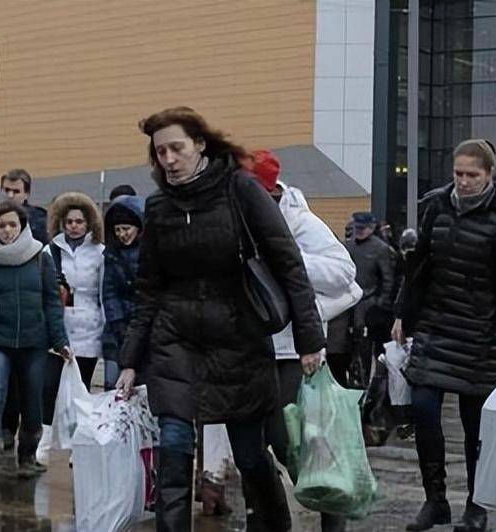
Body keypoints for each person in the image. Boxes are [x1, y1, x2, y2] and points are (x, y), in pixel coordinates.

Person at [114, 107, 325, 532]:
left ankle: (274, 525)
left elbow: (288, 262)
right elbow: (149, 287)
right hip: (176, 340)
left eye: (176, 148)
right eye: (160, 152)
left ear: (200, 144)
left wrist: (309, 339)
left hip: (238, 338)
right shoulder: (158, 207)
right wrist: (130, 359)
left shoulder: (240, 189)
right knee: (175, 449)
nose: (169, 159)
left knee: (250, 454)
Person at [391, 139, 496, 532]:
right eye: (458, 173)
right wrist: (402, 313)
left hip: (480, 335)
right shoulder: (437, 206)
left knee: (474, 427)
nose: (463, 181)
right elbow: (418, 266)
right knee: (423, 409)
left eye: (472, 175)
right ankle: (435, 500)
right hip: (434, 325)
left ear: (489, 175)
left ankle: (475, 506)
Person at [251, 149, 360, 532]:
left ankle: (332, 508)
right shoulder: (235, 220)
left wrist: (289, 259)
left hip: (291, 350)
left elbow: (344, 272)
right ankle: (270, 519)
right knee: (252, 446)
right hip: (246, 347)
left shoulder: (299, 220)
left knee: (289, 441)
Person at [0, 201, 70, 488]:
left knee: (32, 400)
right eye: (1, 225)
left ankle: (27, 456)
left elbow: (52, 302)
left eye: (12, 224)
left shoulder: (40, 257)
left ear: (22, 226)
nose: (7, 230)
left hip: (33, 341)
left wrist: (60, 340)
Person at [36, 191, 106, 465]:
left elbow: (103, 293)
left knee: (81, 389)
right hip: (57, 326)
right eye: (69, 222)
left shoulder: (100, 253)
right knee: (48, 386)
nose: (74, 226)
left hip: (89, 328)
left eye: (79, 221)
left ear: (89, 223)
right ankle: (44, 442)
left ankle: (79, 442)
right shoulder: (49, 251)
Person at [345, 211, 396, 388]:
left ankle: (367, 382)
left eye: (363, 228)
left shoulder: (381, 249)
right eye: (357, 228)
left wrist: (381, 303)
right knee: (348, 345)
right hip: (349, 303)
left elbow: (389, 280)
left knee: (366, 347)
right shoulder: (348, 247)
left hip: (369, 304)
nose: (359, 231)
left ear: (372, 228)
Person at [101, 194, 145, 390]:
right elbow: (109, 291)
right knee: (112, 383)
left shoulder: (149, 253)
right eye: (117, 230)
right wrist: (117, 323)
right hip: (116, 330)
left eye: (126, 229)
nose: (122, 234)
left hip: (143, 327)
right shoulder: (111, 255)